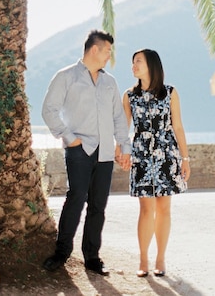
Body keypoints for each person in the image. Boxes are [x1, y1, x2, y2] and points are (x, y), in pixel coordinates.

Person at [42, 29, 131, 276]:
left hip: (104, 153)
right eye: (107, 51)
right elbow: (49, 110)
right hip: (79, 151)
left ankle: (92, 257)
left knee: (98, 206)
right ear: (94, 49)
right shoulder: (66, 77)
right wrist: (69, 138)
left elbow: (118, 118)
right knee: (76, 199)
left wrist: (124, 146)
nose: (109, 57)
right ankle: (61, 252)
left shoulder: (110, 82)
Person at [121, 48, 190, 278]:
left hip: (166, 154)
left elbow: (178, 127)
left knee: (164, 208)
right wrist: (122, 152)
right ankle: (143, 259)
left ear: (151, 65)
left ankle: (161, 258)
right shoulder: (129, 95)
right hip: (141, 156)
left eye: (138, 61)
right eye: (133, 62)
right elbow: (124, 130)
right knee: (145, 208)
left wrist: (185, 158)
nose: (133, 66)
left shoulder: (170, 93)